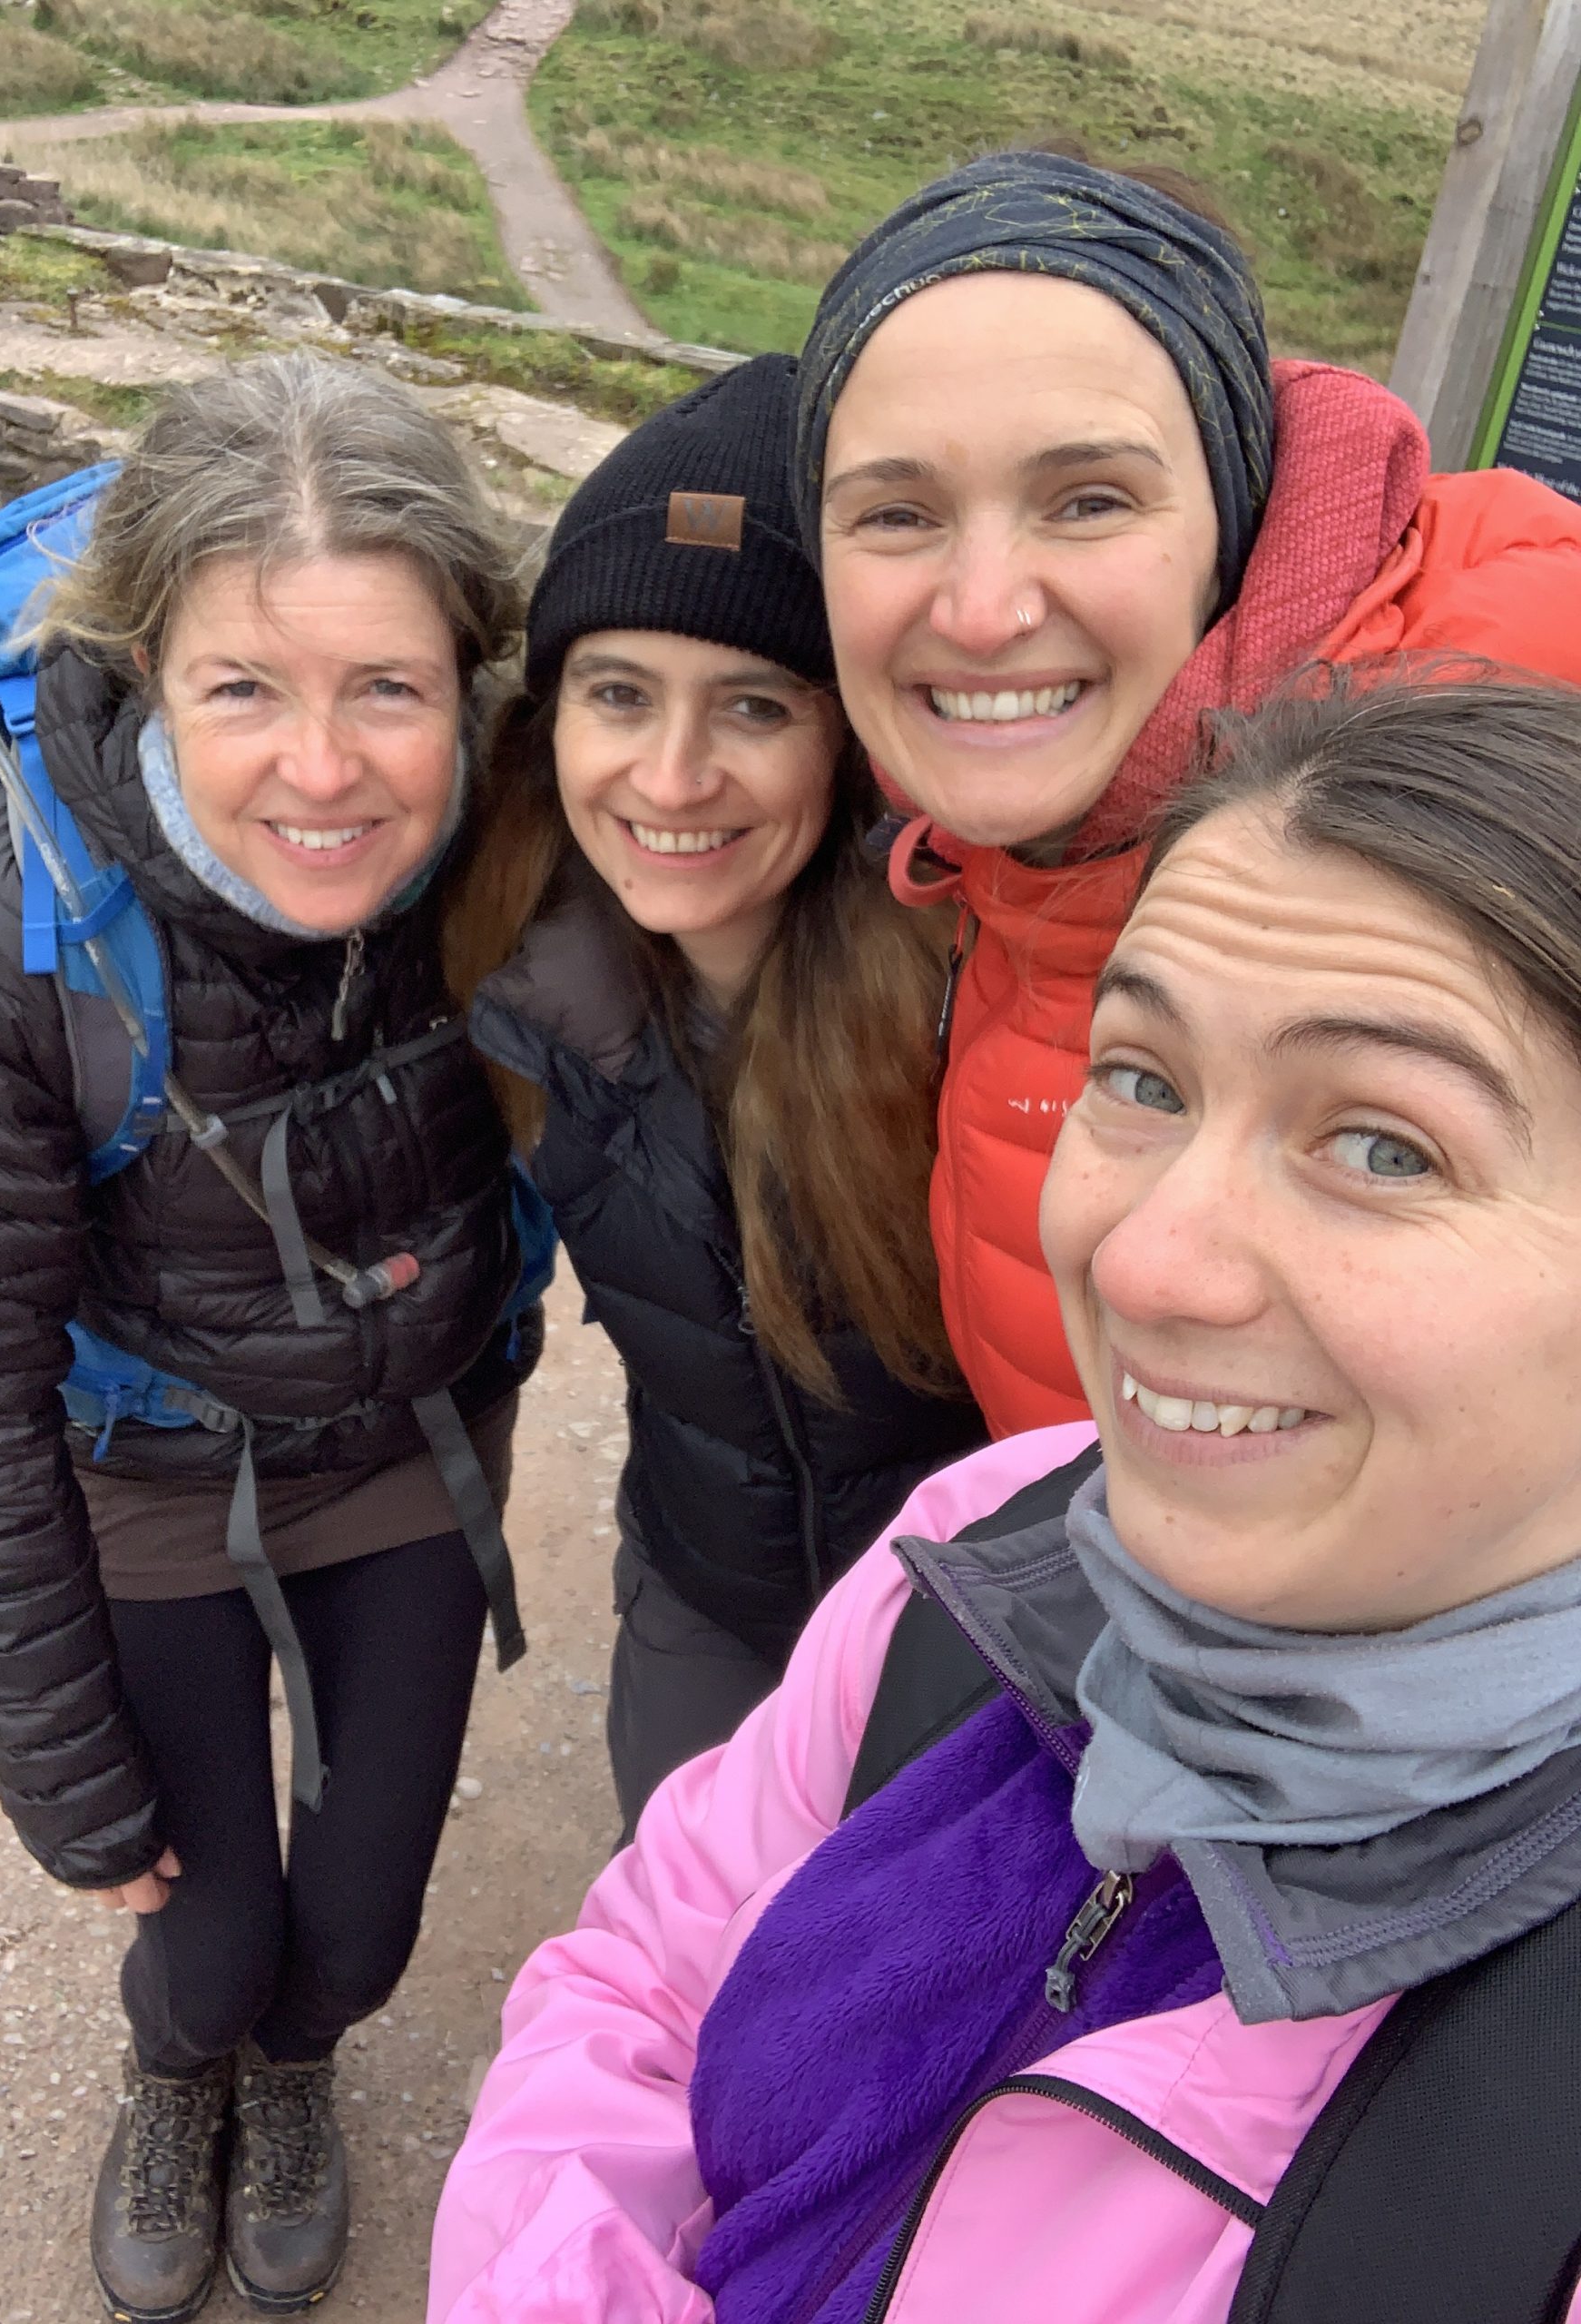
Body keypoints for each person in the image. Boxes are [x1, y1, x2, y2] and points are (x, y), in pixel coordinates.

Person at [427, 671, 1581, 2322]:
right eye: (1148, 1081)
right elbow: (645, 1980)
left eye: (1384, 1146)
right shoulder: (1005, 1536)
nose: (1145, 1255)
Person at [0, 352, 536, 2323]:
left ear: (473, 688)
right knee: (199, 1925)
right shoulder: (13, 932)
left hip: (409, 1446)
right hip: (144, 1471)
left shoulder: (526, 843)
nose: (322, 772)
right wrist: (58, 1770)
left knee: (353, 1927)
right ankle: (180, 2074)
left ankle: (297, 2068)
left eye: (387, 689)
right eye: (246, 687)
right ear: (150, 666)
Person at [789, 144, 1581, 1439]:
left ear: (1238, 513)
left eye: (1090, 499)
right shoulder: (1020, 855)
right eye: (896, 515)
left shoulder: (1519, 788)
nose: (982, 612)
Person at [456, 353, 986, 1829]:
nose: (672, 777)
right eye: (618, 694)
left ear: (854, 738)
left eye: (753, 707)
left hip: (960, 1644)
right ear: (547, 717)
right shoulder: (514, 966)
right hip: (704, 1593)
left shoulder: (978, 1011)